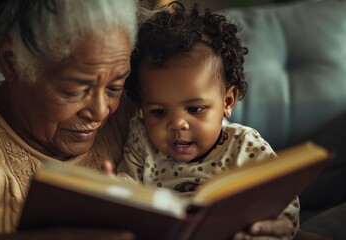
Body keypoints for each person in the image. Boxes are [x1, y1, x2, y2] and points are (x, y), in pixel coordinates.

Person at [0, 0, 138, 239]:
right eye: (74, 91)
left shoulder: (135, 119)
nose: (100, 111)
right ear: (13, 62)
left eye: (114, 87)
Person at [116, 2, 300, 239]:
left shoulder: (245, 146)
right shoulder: (142, 138)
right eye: (158, 112)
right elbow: (128, 181)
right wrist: (115, 192)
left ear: (228, 101)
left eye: (195, 109)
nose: (178, 124)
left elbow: (283, 202)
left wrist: (273, 226)